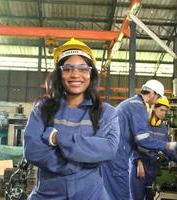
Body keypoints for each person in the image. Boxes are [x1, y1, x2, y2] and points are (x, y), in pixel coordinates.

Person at [24, 38, 120, 200]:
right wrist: (79, 162)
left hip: (90, 194)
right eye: (67, 69)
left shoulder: (106, 113)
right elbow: (33, 151)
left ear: (91, 74)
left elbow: (108, 149)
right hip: (48, 194)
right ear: (59, 74)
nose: (75, 74)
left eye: (83, 69)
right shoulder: (42, 110)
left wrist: (56, 137)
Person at [101, 80, 177, 200]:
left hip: (114, 154)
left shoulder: (132, 104)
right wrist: (172, 145)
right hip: (116, 156)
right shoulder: (137, 106)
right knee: (121, 195)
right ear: (152, 94)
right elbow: (143, 140)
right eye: (158, 98)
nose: (156, 101)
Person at [130, 96, 177, 200]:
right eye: (161, 110)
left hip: (152, 167)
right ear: (153, 107)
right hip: (138, 167)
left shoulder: (163, 128)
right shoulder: (142, 123)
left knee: (150, 197)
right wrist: (138, 162)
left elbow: (166, 147)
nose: (164, 113)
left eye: (165, 111)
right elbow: (132, 144)